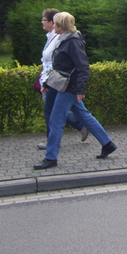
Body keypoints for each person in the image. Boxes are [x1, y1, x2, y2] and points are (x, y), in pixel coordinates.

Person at [34, 12, 117, 170]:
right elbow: (61, 66)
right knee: (84, 115)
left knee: (56, 121)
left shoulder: (72, 41)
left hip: (69, 88)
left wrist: (80, 88)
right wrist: (47, 83)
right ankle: (107, 143)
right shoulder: (65, 39)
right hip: (67, 86)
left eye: (56, 23)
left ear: (61, 26)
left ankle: (51, 157)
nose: (54, 25)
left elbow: (82, 66)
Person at [37, 8, 88, 150]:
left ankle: (51, 146)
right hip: (55, 79)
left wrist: (80, 87)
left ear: (56, 24)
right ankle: (89, 130)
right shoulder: (54, 37)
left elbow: (76, 65)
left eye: (45, 20)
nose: (43, 22)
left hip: (61, 81)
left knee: (53, 112)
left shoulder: (65, 39)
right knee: (71, 111)